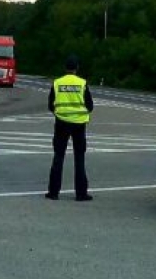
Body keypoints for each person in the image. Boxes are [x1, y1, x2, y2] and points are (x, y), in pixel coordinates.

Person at [45, 55, 95, 201]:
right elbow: (90, 105)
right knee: (79, 158)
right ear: (77, 68)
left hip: (61, 123)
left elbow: (50, 105)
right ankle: (81, 193)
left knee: (58, 156)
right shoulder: (82, 83)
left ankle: (53, 192)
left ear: (65, 68)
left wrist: (60, 112)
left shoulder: (57, 83)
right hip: (79, 124)